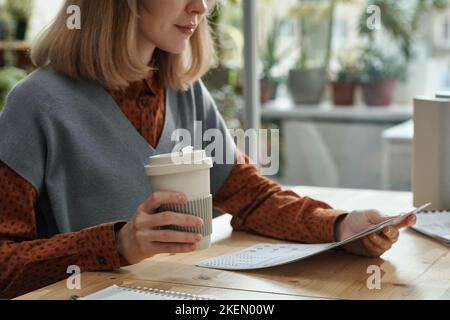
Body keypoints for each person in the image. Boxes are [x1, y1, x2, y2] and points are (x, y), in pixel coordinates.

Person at [0, 0, 416, 299]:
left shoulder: (185, 92)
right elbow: (4, 264)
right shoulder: (36, 104)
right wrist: (119, 243)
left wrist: (342, 226)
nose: (201, 7)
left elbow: (250, 196)